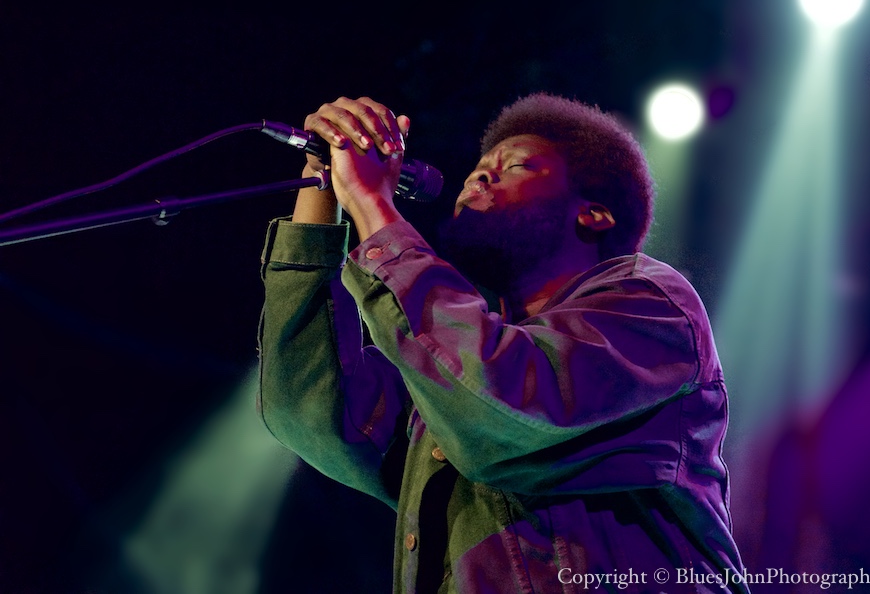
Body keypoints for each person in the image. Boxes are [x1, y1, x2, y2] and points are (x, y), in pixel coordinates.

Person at [258, 94, 748, 593]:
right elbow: (311, 406)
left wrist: (372, 203)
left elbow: (499, 403)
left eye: (515, 165)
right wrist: (324, 176)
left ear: (594, 214)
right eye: (478, 168)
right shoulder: (446, 388)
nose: (479, 177)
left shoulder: (652, 305)